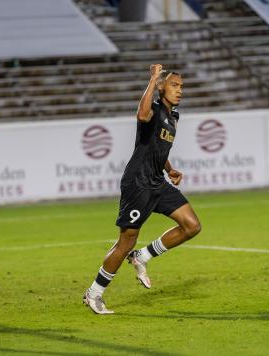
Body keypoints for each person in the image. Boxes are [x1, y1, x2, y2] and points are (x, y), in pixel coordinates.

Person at [83, 64, 202, 314]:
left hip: (157, 181)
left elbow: (158, 146)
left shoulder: (174, 116)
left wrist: (169, 169)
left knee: (192, 225)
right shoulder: (155, 109)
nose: (179, 90)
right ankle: (94, 293)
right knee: (126, 241)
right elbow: (141, 115)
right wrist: (152, 79)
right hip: (138, 182)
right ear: (161, 88)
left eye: (181, 86)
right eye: (174, 85)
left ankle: (143, 256)